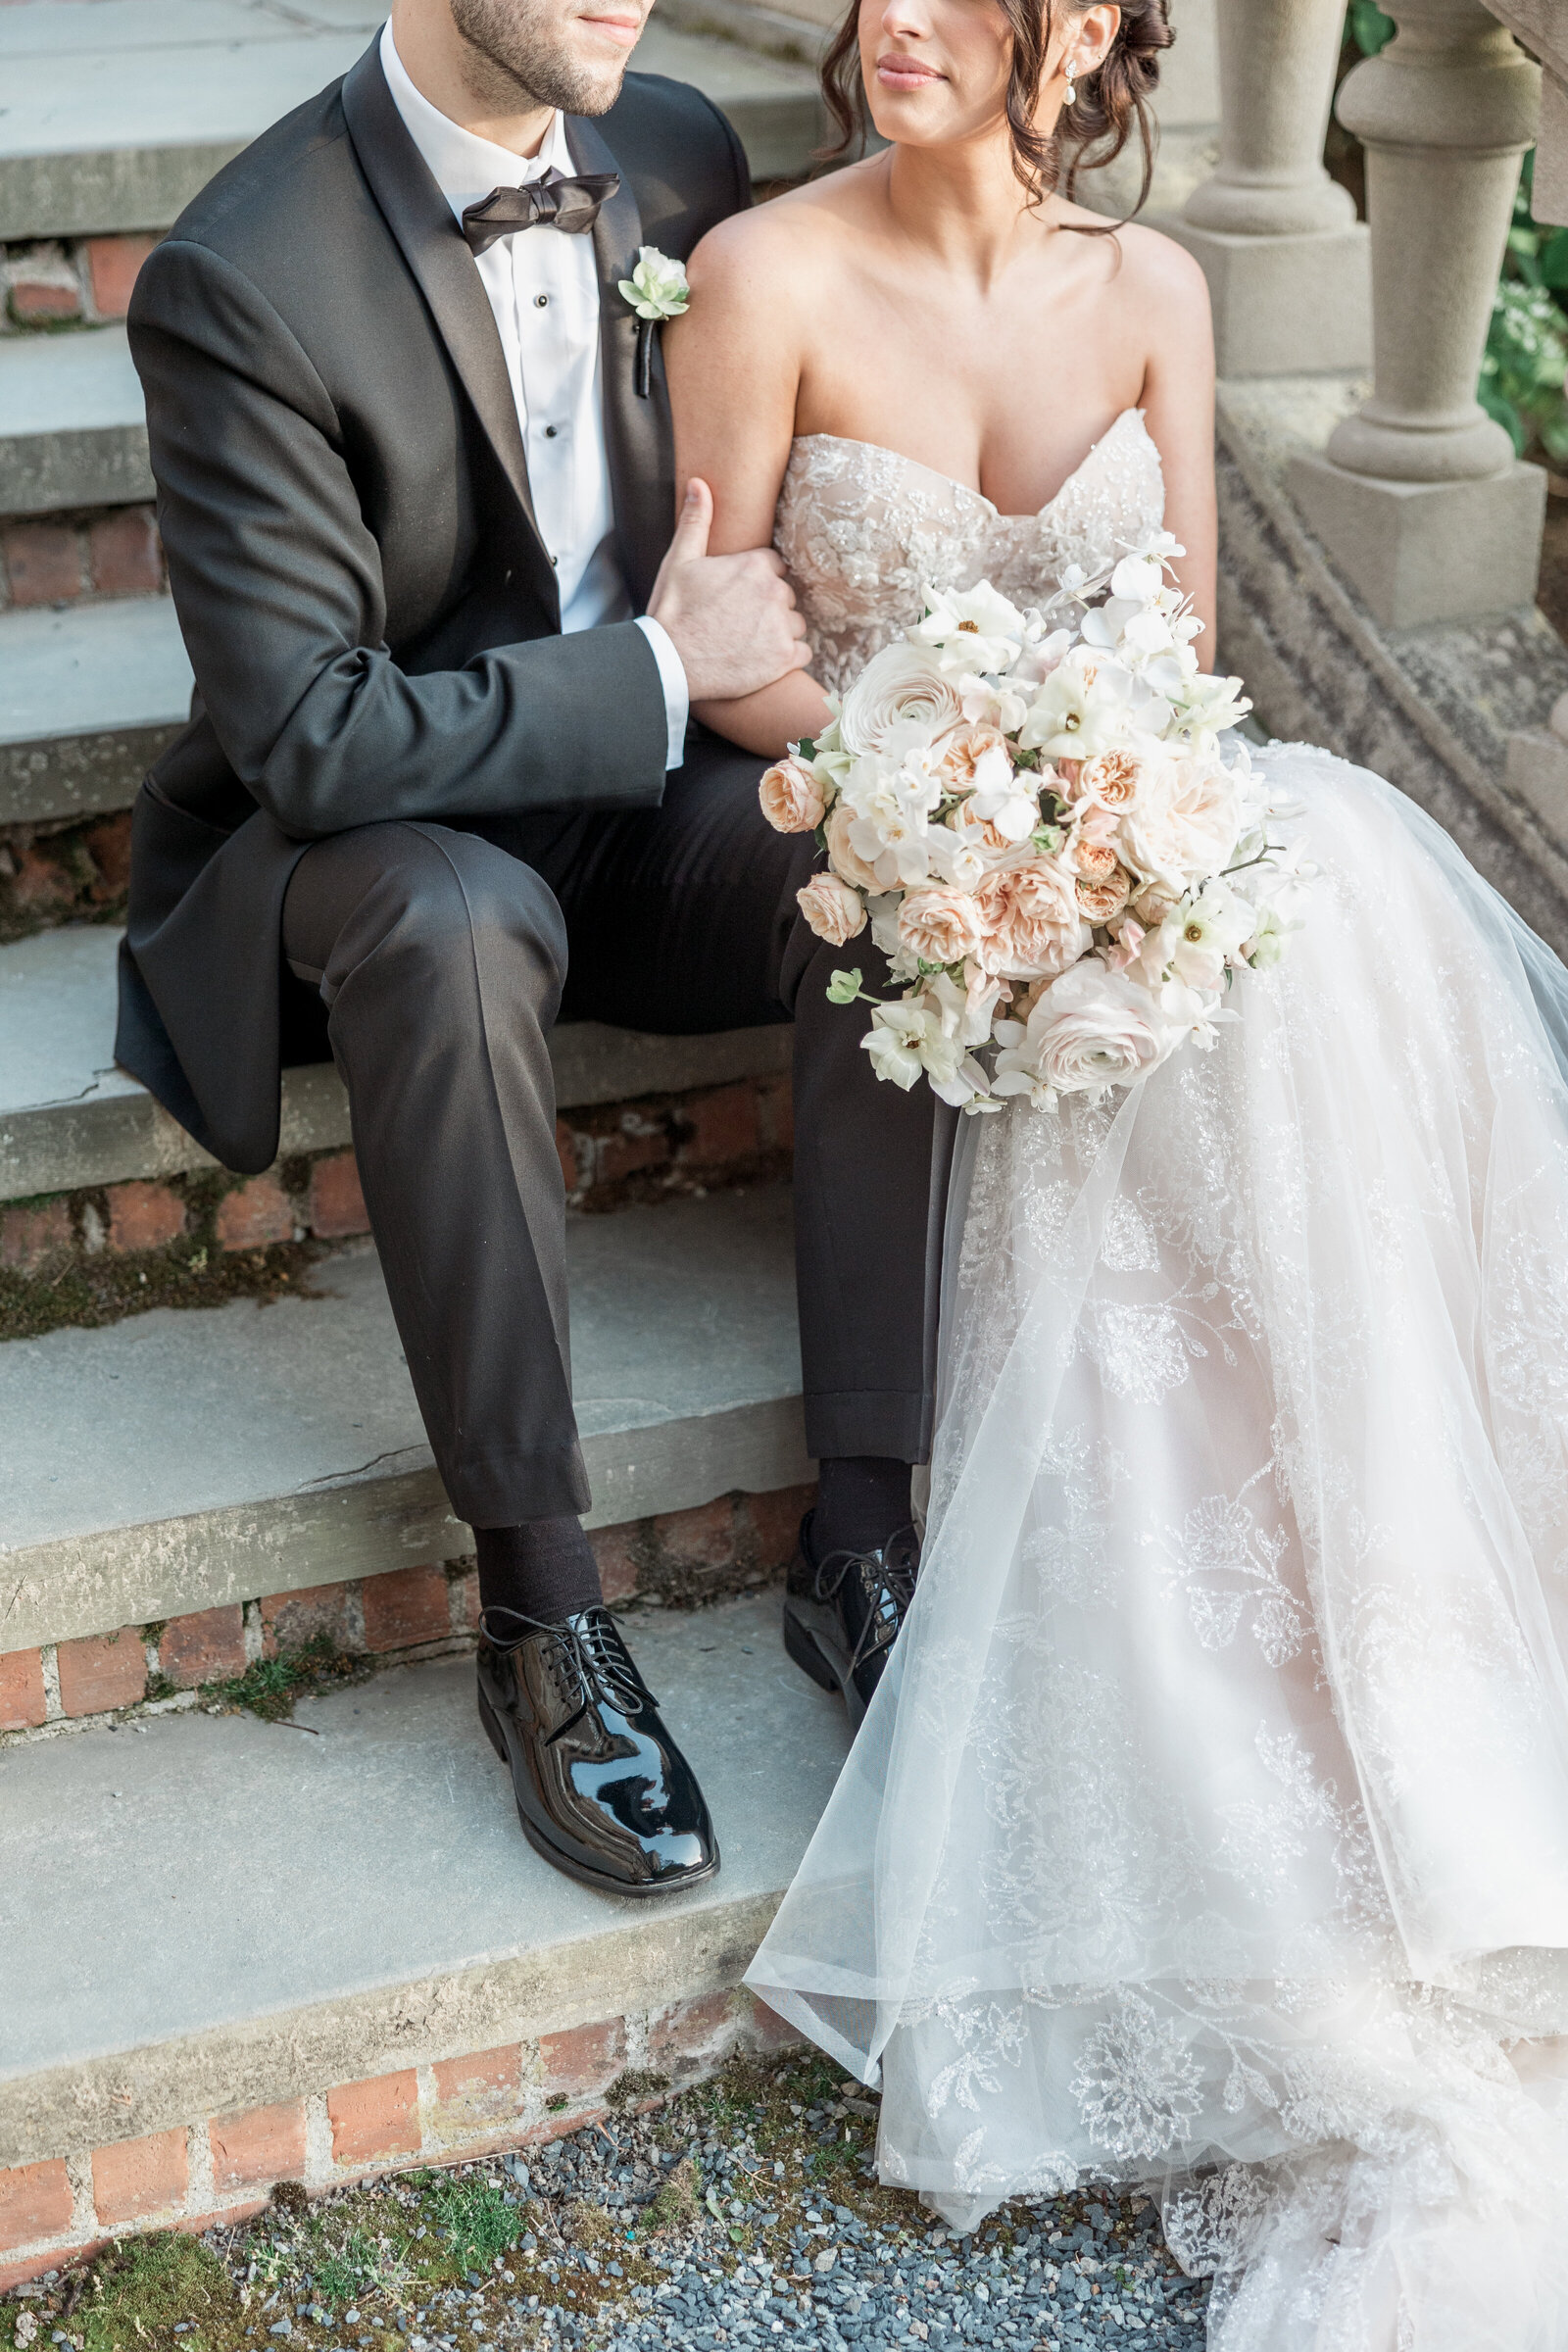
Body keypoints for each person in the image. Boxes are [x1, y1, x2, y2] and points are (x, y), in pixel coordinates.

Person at [665, 0, 1568, 2340]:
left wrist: (1108, 822)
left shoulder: (1154, 294)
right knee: (1177, 1043)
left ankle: (1401, 1710)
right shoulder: (762, 273)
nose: (897, 29)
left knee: (1333, 913)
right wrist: (942, 799)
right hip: (914, 854)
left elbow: (1175, 656)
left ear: (1081, 37)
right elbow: (732, 643)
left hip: (1119, 857)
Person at [119, 0, 939, 1900]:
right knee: (450, 914)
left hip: (630, 809)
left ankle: (862, 1538)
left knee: (879, 846)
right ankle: (539, 1620)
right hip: (362, 842)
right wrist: (655, 670)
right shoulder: (239, 275)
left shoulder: (677, 156)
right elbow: (308, 738)